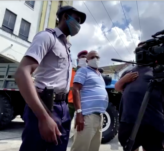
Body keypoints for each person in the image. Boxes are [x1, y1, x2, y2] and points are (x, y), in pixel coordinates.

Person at [15, 5, 86, 151]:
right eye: (77, 20)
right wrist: (43, 117)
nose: (78, 25)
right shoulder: (47, 37)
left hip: (63, 107)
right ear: (65, 17)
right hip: (45, 104)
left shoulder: (66, 47)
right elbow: (22, 73)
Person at [115, 43, 164, 151]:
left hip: (153, 122)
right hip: (129, 120)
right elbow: (118, 87)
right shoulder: (128, 71)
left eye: (145, 49)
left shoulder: (160, 71)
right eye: (139, 50)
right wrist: (124, 80)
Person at [70, 51, 108, 151]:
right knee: (80, 148)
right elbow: (75, 89)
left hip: (99, 116)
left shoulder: (99, 74)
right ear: (87, 60)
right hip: (87, 116)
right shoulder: (83, 70)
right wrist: (79, 113)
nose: (95, 59)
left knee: (93, 148)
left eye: (97, 57)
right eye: (92, 57)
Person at [68, 50, 88, 120]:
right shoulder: (71, 71)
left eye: (86, 57)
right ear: (78, 60)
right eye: (82, 57)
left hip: (83, 104)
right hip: (70, 103)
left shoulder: (89, 73)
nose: (85, 59)